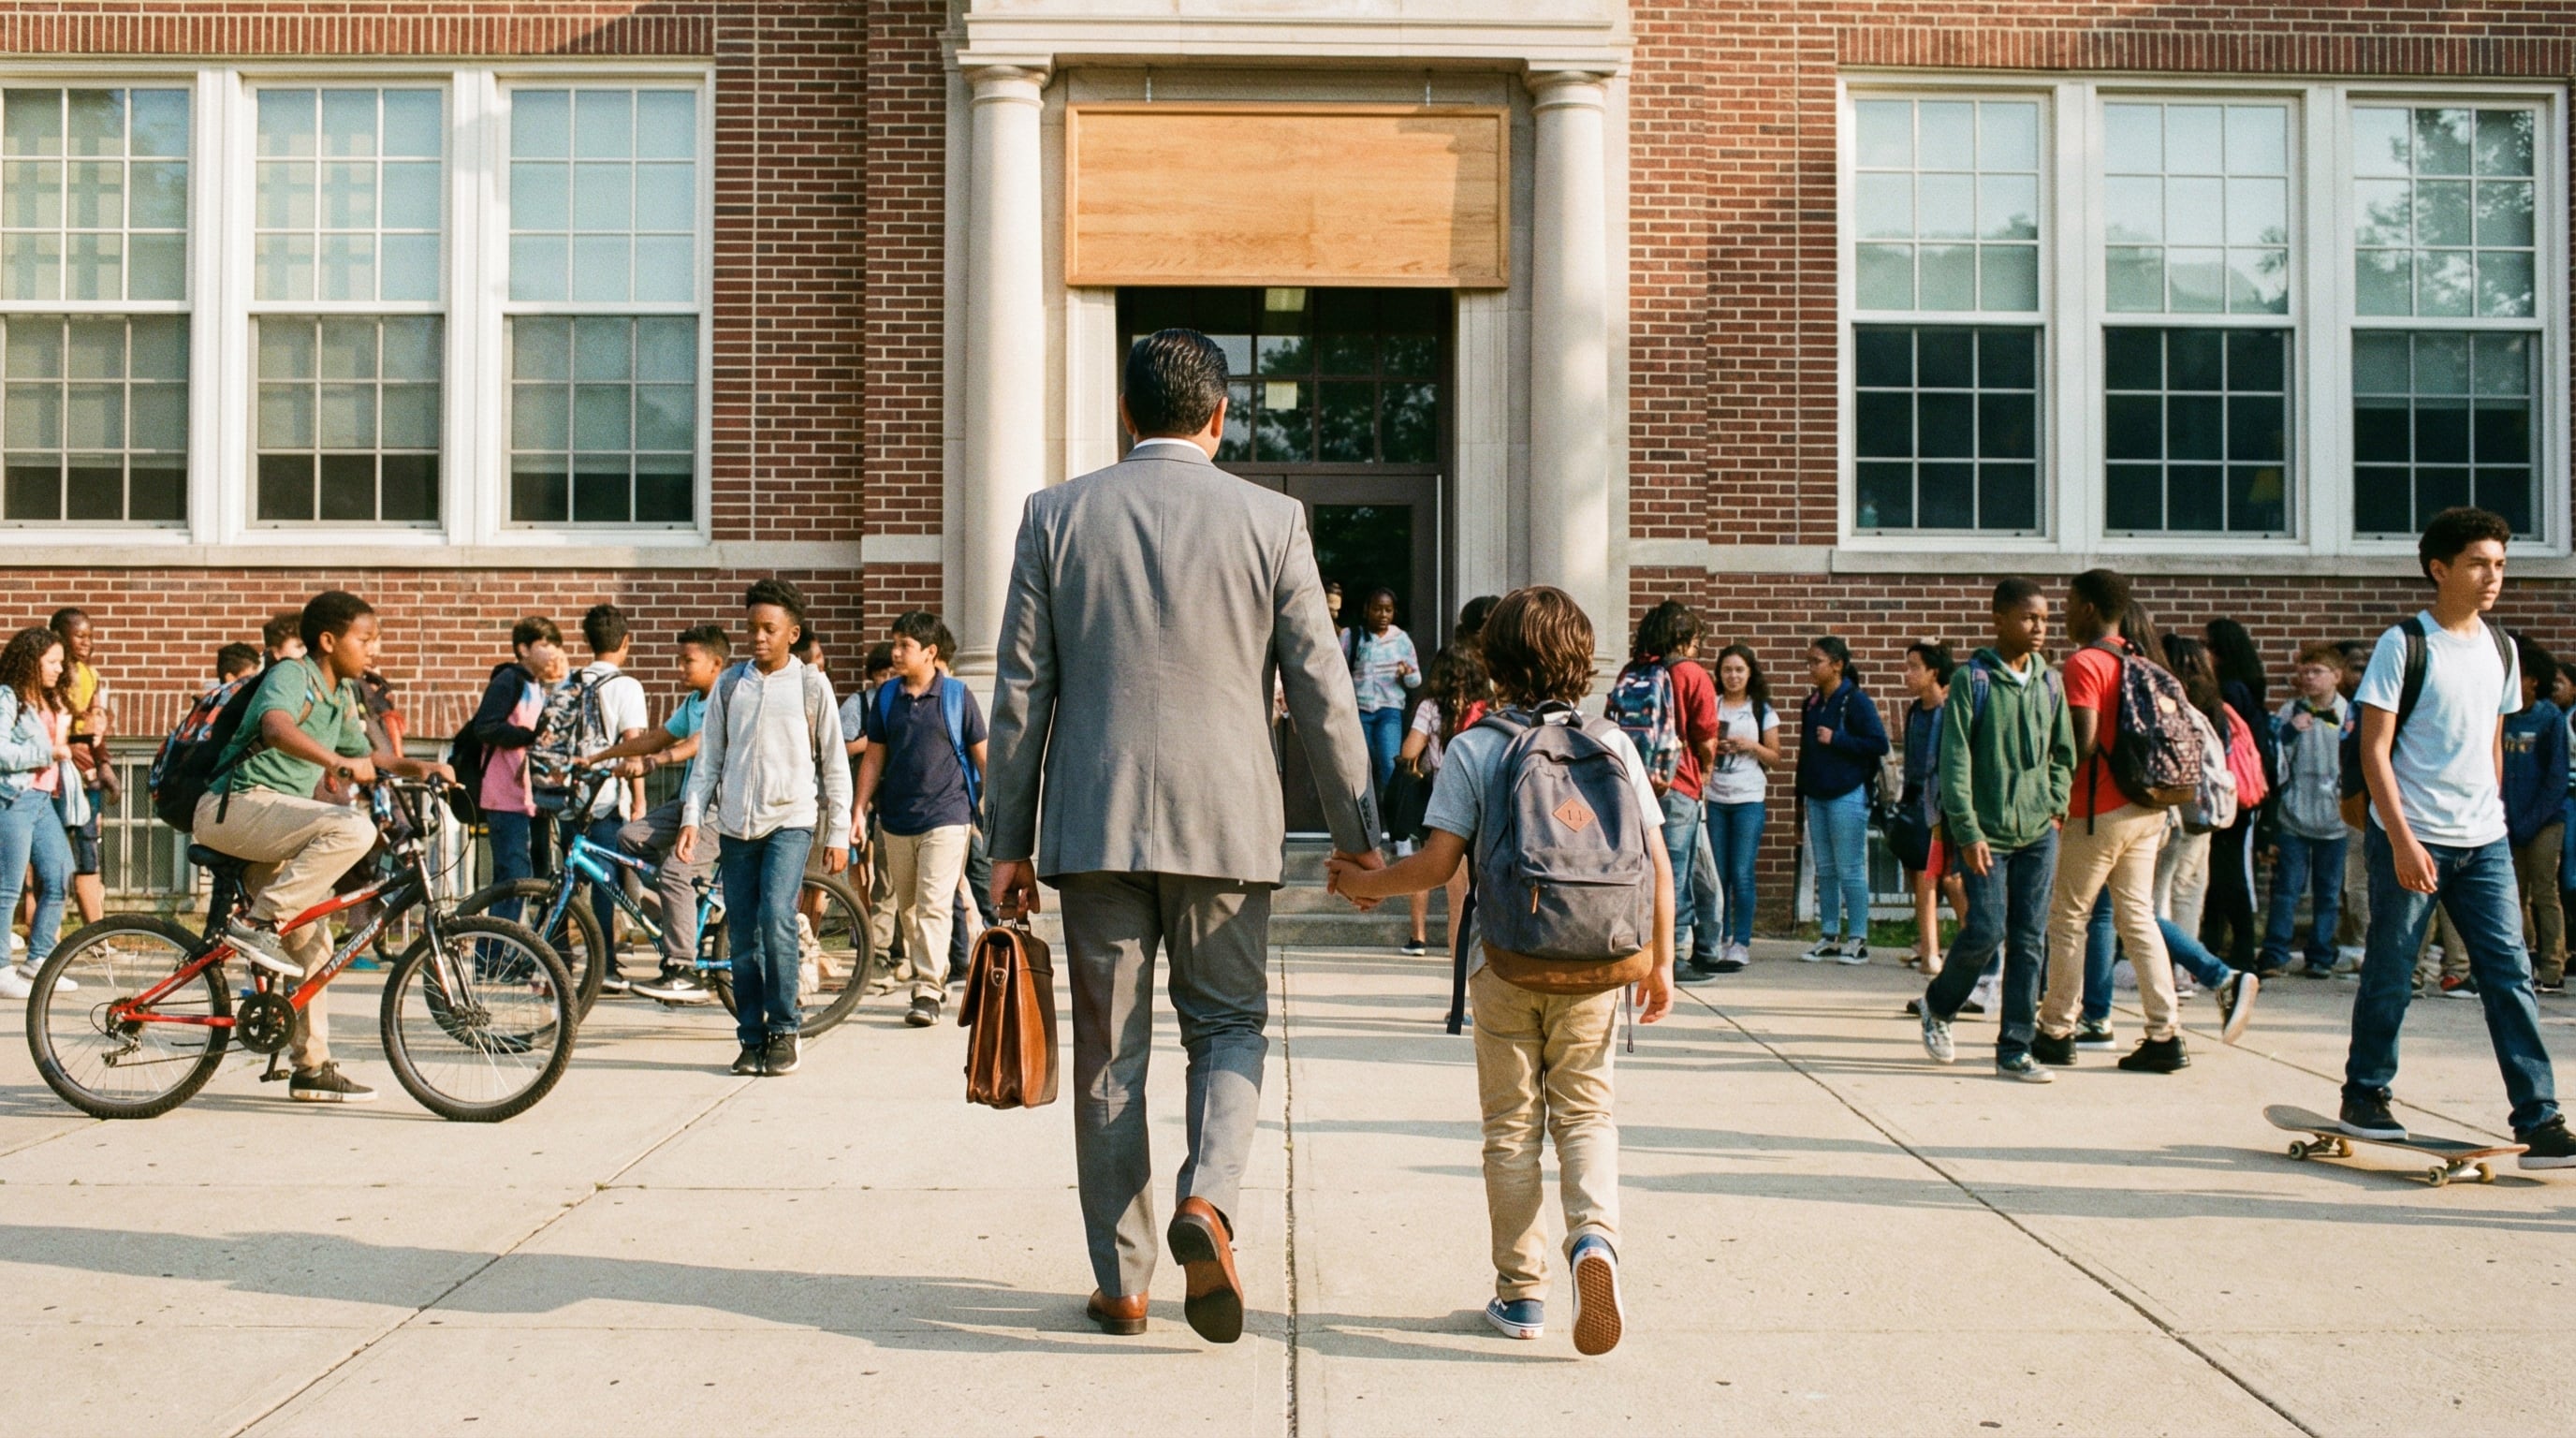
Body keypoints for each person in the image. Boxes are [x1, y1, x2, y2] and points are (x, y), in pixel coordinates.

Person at [985, 328, 1379, 1343]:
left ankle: (1123, 1283)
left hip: (1093, 822)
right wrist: (1358, 836)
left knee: (1111, 1055)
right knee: (1228, 1028)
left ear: (1127, 415)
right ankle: (1209, 1200)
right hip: (1226, 823)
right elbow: (1323, 692)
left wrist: (1008, 840)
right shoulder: (1272, 520)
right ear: (1219, 419)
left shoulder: (1055, 515)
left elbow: (1021, 692)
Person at [1327, 585, 1674, 1355]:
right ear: (1581, 660)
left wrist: (1361, 885)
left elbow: (1436, 864)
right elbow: (1655, 860)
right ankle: (1594, 1245)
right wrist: (1659, 962)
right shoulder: (1612, 745)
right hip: (1598, 961)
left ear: (1493, 661)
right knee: (1586, 1114)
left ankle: (1521, 1296)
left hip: (1506, 959)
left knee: (1512, 1129)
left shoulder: (1481, 747)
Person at [2341, 506, 2570, 1166]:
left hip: (2483, 839)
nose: (2492, 575)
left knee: (2510, 976)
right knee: (2392, 971)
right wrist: (2406, 839)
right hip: (2412, 837)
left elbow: (2492, 742)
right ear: (2439, 569)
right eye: (2478, 562)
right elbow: (2374, 751)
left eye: (2500, 563)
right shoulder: (2404, 644)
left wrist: (2489, 813)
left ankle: (2538, 1116)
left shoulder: (2502, 648)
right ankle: (2365, 1093)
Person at [193, 591, 453, 1103]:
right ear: (329, 641)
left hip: (271, 824)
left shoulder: (339, 696)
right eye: (366, 639)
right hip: (234, 807)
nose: (373, 650)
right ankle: (258, 925)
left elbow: (369, 757)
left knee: (315, 944)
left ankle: (310, 1067)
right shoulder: (293, 675)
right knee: (352, 828)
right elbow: (276, 727)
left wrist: (421, 768)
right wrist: (334, 763)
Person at [678, 580, 851, 1079]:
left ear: (791, 633)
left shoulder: (812, 685)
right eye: (751, 627)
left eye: (768, 629)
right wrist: (693, 818)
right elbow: (709, 760)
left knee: (777, 917)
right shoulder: (732, 685)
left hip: (790, 822)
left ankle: (785, 1029)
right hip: (735, 827)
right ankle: (752, 1036)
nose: (758, 637)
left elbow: (834, 764)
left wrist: (838, 831)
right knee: (743, 936)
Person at [1916, 580, 2073, 1078]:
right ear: (1999, 620)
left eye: (2045, 620)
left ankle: (2015, 1049)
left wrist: (2055, 806)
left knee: (2030, 939)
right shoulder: (1973, 680)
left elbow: (2063, 753)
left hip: (2037, 830)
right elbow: (1954, 761)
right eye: (2029, 619)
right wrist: (1967, 830)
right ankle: (1938, 1007)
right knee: (1984, 927)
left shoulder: (2050, 681)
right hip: (1985, 832)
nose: (2039, 629)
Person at [2034, 568, 2188, 1074]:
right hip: (2148, 807)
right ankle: (2166, 1033)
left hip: (2099, 810)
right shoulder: (2145, 662)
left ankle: (2056, 1029)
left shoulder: (2086, 663)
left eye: (2069, 602)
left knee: (2068, 918)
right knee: (2137, 917)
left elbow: (2083, 742)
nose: (2063, 613)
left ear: (2089, 609)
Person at [852, 609, 987, 1029]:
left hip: (947, 816)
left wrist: (999, 808)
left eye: (905, 645)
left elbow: (984, 755)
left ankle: (928, 987)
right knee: (908, 909)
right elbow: (874, 757)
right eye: (894, 644)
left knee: (932, 903)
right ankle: (932, 970)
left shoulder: (957, 697)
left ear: (930, 653)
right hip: (896, 818)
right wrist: (859, 808)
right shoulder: (887, 698)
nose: (895, 652)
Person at [587, 624, 725, 1005]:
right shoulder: (693, 702)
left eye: (688, 661)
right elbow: (655, 737)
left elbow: (701, 743)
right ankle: (676, 911)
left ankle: (683, 969)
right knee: (627, 840)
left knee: (676, 870)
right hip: (687, 804)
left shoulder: (726, 697)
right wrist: (602, 756)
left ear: (716, 664)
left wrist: (655, 762)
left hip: (719, 810)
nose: (680, 668)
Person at [1617, 601, 1720, 966]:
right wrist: (1706, 769)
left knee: (1641, 870)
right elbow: (1706, 735)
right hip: (1678, 786)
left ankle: (1648, 945)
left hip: (1632, 785)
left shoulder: (1633, 671)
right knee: (1672, 874)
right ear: (1686, 638)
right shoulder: (1693, 674)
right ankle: (1673, 957)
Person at [560, 605, 650, 993]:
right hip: (606, 797)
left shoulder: (569, 681)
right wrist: (639, 798)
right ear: (626, 642)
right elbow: (634, 746)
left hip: (567, 796)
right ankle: (606, 965)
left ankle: (558, 963)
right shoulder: (626, 686)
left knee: (566, 882)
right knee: (605, 884)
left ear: (586, 641)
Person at [469, 617, 567, 922]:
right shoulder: (509, 681)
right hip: (505, 796)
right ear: (523, 648)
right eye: (544, 645)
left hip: (533, 798)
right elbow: (484, 727)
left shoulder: (537, 686)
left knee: (534, 877)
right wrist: (529, 737)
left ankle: (519, 951)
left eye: (556, 645)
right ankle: (495, 954)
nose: (552, 652)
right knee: (513, 877)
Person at [2263, 643, 2353, 978]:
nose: (2309, 679)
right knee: (2287, 888)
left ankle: (2319, 955)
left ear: (2336, 676)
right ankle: (2275, 953)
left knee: (2328, 891)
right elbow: (2272, 758)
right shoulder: (2290, 711)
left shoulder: (2349, 714)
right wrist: (2288, 732)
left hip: (2335, 817)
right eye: (2304, 672)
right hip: (2295, 813)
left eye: (2317, 672)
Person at [1795, 635, 1886, 963]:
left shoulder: (1855, 701)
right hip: (1816, 795)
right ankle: (1829, 934)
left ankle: (1858, 937)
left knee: (1850, 868)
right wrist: (1799, 801)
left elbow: (1878, 743)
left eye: (1816, 661)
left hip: (1847, 794)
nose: (1810, 668)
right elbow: (1805, 755)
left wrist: (1838, 739)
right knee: (1826, 868)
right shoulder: (1812, 703)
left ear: (1837, 665)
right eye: (1808, 661)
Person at [1396, 646, 1490, 958]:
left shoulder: (1431, 707)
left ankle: (1459, 992)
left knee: (1458, 900)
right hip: (1487, 803)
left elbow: (1410, 750)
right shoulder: (1486, 708)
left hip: (1447, 802)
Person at [1691, 644, 1779, 976]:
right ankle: (1720, 938)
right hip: (1716, 797)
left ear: (1750, 673)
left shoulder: (1761, 710)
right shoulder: (1711, 704)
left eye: (1739, 670)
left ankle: (1740, 941)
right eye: (1727, 670)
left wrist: (1750, 746)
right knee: (1717, 874)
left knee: (1742, 872)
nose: (1733, 676)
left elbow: (1776, 756)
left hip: (1748, 798)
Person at [0, 626, 75, 1000]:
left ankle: (39, 960)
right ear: (31, 662)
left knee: (60, 874)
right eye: (52, 662)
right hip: (14, 798)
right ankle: (0, 969)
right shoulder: (7, 699)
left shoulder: (47, 701)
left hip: (44, 800)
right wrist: (49, 753)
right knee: (8, 887)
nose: (60, 669)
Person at [2202, 617, 2275, 972]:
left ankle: (2239, 948)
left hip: (2229, 790)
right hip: (2246, 789)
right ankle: (2223, 944)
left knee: (2227, 873)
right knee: (2225, 871)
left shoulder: (2229, 691)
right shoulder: (2249, 687)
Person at [1898, 640, 1969, 974]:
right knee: (1920, 876)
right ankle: (1930, 945)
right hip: (1914, 804)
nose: (1907, 674)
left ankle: (1937, 954)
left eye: (1914, 667)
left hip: (1940, 807)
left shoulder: (1949, 711)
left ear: (1934, 672)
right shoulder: (1914, 712)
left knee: (1942, 879)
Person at [2502, 636, 2568, 994]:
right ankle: (2521, 958)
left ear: (2533, 681)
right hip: (2507, 818)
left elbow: (2555, 777)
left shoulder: (2549, 719)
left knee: (2545, 892)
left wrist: (2532, 821)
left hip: (2544, 820)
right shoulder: (2502, 716)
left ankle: (2552, 966)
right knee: (2514, 894)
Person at [49, 608, 111, 928]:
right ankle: (44, 935)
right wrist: (86, 722)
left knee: (89, 851)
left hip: (86, 776)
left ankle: (95, 933)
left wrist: (103, 763)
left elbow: (95, 721)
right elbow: (61, 721)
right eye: (79, 636)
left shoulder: (91, 674)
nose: (87, 642)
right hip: (60, 773)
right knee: (50, 856)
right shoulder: (54, 675)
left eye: (90, 636)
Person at [1350, 587, 1422, 829]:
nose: (1382, 614)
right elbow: (1336, 670)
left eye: (1388, 610)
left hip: (1389, 711)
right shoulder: (1353, 636)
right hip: (1359, 711)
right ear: (1366, 610)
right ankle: (1363, 831)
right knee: (1360, 769)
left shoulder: (1401, 640)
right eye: (1377, 608)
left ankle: (1398, 830)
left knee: (1391, 768)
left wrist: (1406, 674)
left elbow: (1416, 680)